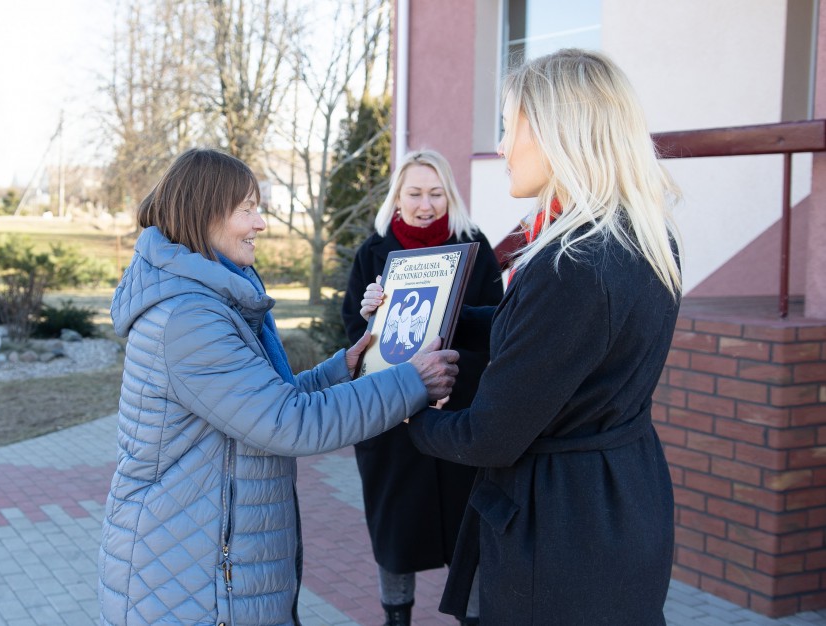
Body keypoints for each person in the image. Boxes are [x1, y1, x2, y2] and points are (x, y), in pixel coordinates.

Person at [368, 49, 683, 624]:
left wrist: (404, 413)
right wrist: (430, 313)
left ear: (557, 133)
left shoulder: (572, 263)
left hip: (562, 532)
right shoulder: (640, 236)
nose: (500, 148)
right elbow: (548, 340)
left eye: (508, 127)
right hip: (622, 502)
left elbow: (488, 437)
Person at [97, 148, 460, 626]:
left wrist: (342, 370)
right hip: (190, 580)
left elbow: (266, 398)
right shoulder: (190, 318)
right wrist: (412, 380)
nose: (261, 223)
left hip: (208, 562)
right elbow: (288, 422)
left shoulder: (209, 300)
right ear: (205, 215)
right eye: (247, 209)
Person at [342, 149, 504, 626]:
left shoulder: (474, 247)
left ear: (450, 196)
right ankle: (396, 618)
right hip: (392, 423)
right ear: (397, 198)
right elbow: (353, 338)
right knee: (396, 535)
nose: (425, 204)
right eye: (414, 193)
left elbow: (497, 331)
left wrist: (447, 379)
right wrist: (370, 318)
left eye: (436, 193)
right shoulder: (373, 253)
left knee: (468, 535)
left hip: (460, 418)